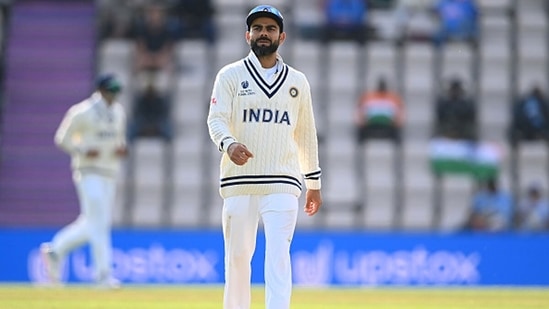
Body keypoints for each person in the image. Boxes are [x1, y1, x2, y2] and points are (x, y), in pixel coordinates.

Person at [206, 5, 323, 309]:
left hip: (282, 181)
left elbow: (306, 134)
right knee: (237, 259)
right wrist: (229, 144)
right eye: (257, 28)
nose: (263, 34)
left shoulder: (297, 81)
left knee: (278, 259)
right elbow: (215, 119)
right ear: (248, 34)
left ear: (281, 36)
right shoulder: (230, 75)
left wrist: (313, 180)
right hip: (239, 182)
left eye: (270, 29)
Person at [40, 74, 128, 289]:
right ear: (100, 90)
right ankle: (102, 275)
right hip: (88, 172)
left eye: (116, 91)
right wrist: (83, 150)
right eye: (110, 90)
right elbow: (62, 138)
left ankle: (55, 251)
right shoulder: (82, 112)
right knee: (99, 223)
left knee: (93, 222)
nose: (114, 95)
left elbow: (119, 139)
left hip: (109, 172)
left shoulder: (118, 112)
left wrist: (121, 149)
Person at [355, 76, 404, 143]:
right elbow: (360, 110)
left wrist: (397, 122)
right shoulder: (368, 96)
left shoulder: (393, 97)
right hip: (370, 123)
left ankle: (398, 145)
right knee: (360, 131)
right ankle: (360, 144)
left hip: (389, 124)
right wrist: (362, 121)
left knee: (397, 132)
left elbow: (400, 111)